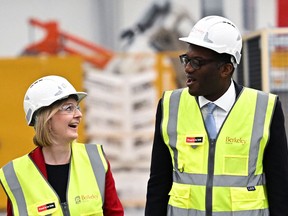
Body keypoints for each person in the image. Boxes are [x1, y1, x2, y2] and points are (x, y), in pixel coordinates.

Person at [145, 15, 288, 216]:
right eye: (187, 59)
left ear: (225, 69)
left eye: (197, 62)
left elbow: (280, 187)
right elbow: (158, 184)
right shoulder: (170, 105)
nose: (187, 68)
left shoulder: (265, 109)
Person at [0, 75, 124, 216]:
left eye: (77, 107)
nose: (78, 114)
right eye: (68, 108)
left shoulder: (96, 160)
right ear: (46, 117)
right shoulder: (16, 174)